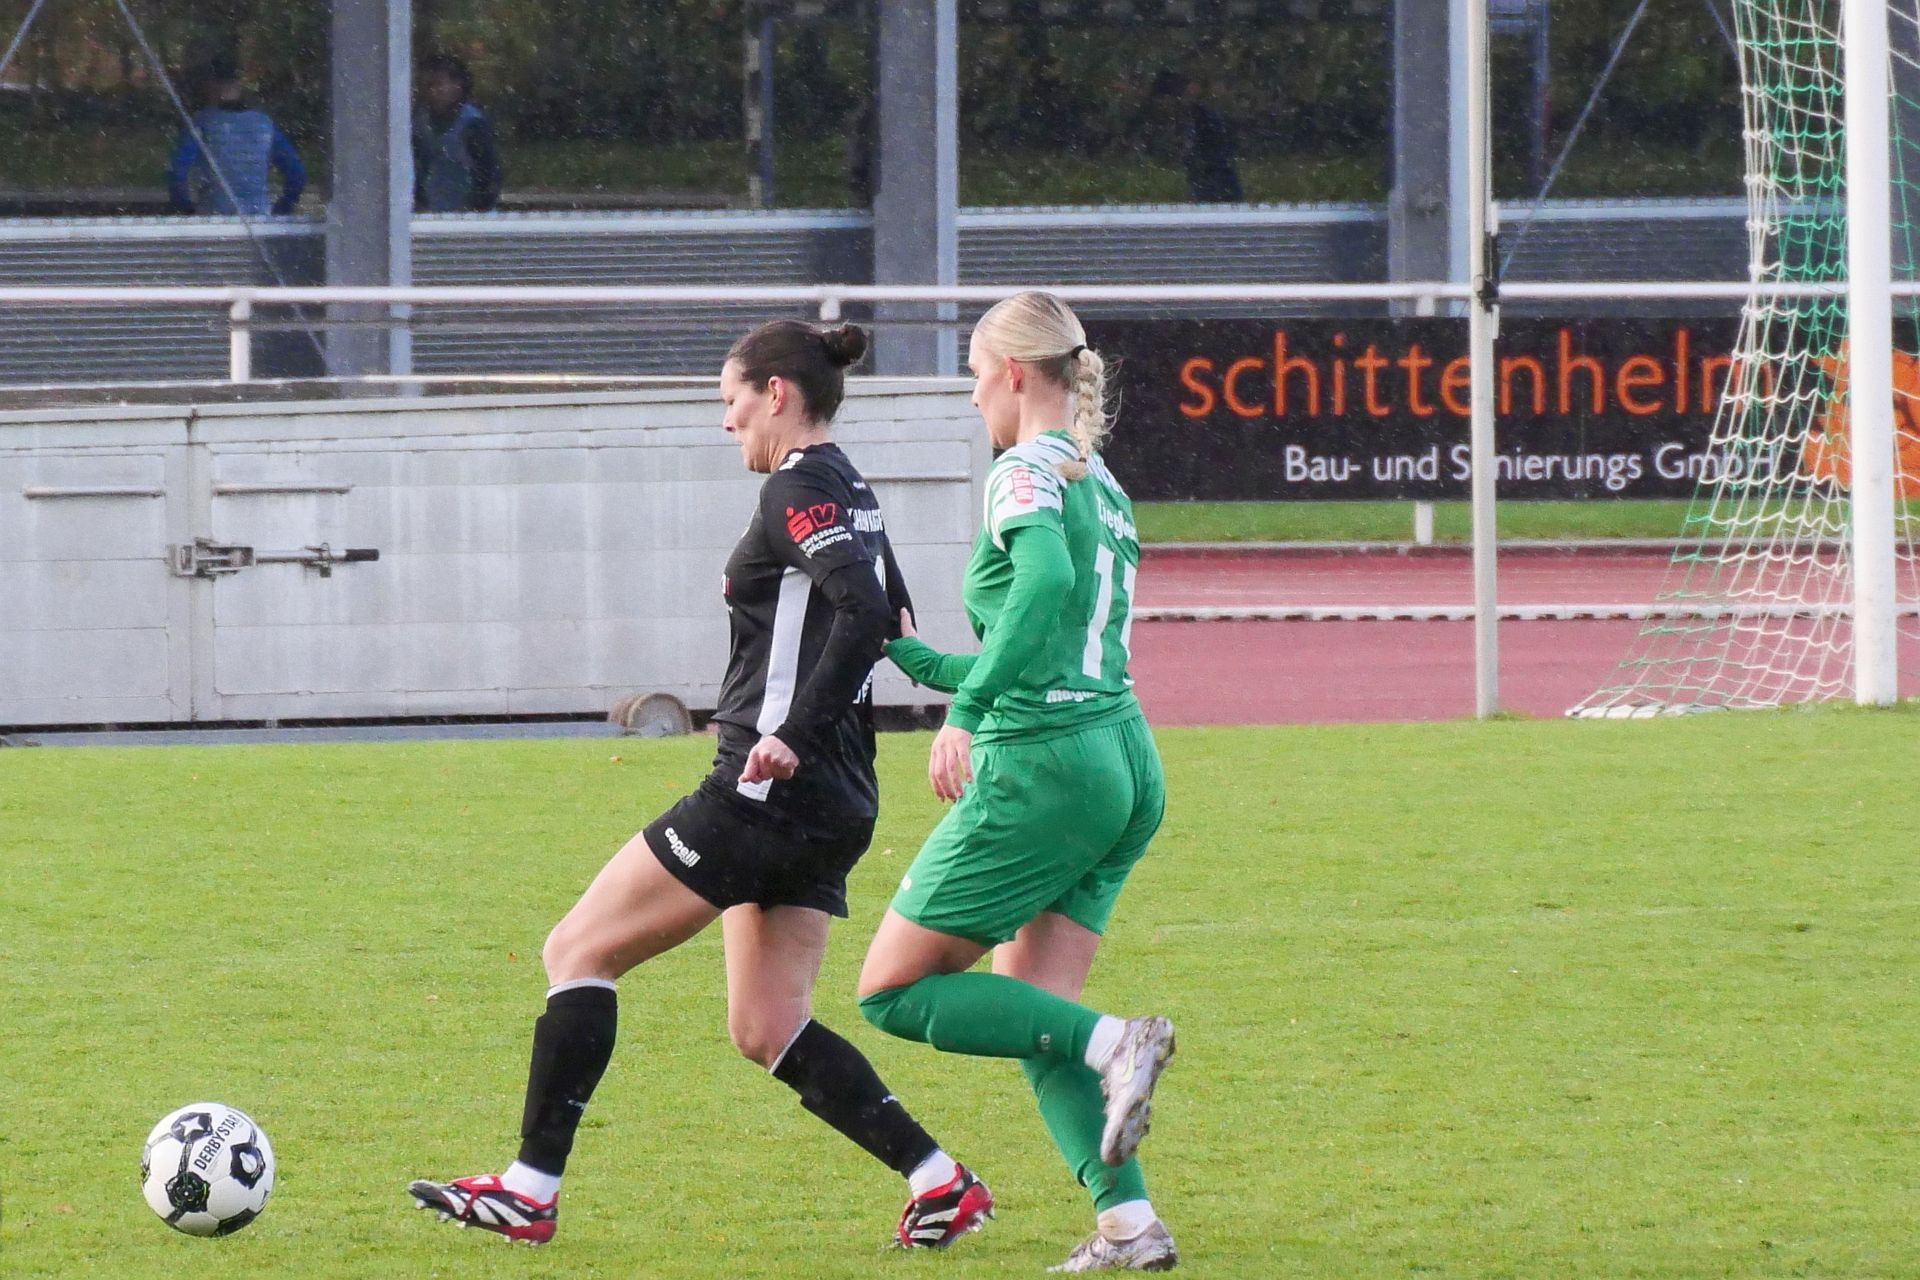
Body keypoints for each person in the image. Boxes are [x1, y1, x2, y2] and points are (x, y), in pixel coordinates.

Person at [408, 320, 994, 1250]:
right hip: (839, 801)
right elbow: (891, 619)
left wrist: (789, 735)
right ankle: (939, 1181)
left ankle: (529, 1188)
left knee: (576, 950)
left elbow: (865, 612)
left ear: (775, 394)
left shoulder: (797, 486)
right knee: (767, 1025)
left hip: (767, 792)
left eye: (731, 401)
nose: (726, 422)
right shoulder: (851, 489)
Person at [855, 291, 1179, 1273]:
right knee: (1038, 1014)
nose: (971, 398)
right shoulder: (1098, 478)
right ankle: (1130, 1226)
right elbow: (1050, 638)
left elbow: (1041, 589)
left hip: (1046, 763)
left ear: (1009, 373)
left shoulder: (1023, 468)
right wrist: (923, 660)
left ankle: (1118, 1041)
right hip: (1121, 758)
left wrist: (963, 710)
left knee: (891, 990)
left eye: (971, 376)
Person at [166, 54, 305, 216]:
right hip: (258, 219)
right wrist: (283, 208)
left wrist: (184, 207)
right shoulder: (264, 124)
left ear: (211, 84)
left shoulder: (203, 123)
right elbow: (296, 172)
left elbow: (177, 171)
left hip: (213, 218)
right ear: (239, 84)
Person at [413, 52, 503, 213]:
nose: (432, 91)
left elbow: (489, 175)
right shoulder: (420, 123)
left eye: (438, 84)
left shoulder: (472, 123)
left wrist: (477, 208)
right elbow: (418, 169)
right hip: (433, 215)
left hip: (472, 218)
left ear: (458, 86)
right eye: (426, 85)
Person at [1151, 69, 1242, 204]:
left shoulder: (1203, 118)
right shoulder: (1194, 116)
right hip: (1210, 180)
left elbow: (1211, 157)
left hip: (1214, 183)